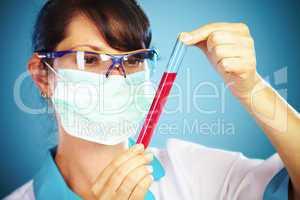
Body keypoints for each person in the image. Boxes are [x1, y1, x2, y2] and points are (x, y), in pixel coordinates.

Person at [5, 0, 300, 200]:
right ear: (43, 76)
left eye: (133, 60)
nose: (117, 78)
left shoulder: (194, 171)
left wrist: (251, 86)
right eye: (90, 58)